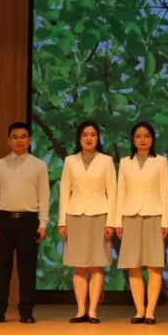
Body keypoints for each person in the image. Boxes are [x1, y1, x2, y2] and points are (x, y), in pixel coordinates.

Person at [0, 122, 49, 324]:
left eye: (23, 136)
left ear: (30, 140)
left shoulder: (39, 165)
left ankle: (26, 311)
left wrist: (43, 224)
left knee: (27, 269)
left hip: (29, 221)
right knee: (1, 268)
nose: (19, 140)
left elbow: (44, 196)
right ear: (8, 141)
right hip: (3, 220)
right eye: (15, 136)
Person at [58, 120, 116, 323]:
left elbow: (113, 193)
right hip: (75, 215)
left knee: (97, 264)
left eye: (93, 134)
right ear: (79, 138)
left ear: (98, 137)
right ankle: (81, 310)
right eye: (85, 134)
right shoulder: (70, 161)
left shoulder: (106, 161)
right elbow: (64, 192)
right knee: (79, 265)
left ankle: (92, 311)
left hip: (100, 214)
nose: (89, 138)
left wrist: (111, 222)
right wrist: (62, 222)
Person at [115, 121, 168, 324]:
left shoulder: (161, 162)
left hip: (154, 215)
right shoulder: (125, 162)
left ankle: (150, 311)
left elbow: (166, 192)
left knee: (154, 266)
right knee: (133, 265)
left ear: (152, 139)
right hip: (130, 216)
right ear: (132, 139)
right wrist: (118, 222)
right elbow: (120, 193)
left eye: (146, 136)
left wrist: (166, 221)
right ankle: (139, 310)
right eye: (138, 136)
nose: (142, 140)